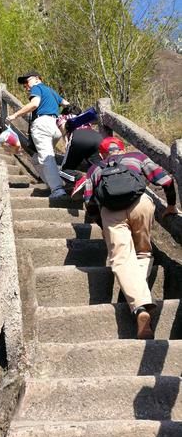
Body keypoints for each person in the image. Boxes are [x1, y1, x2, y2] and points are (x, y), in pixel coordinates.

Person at [84, 136, 178, 339]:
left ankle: (140, 307)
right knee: (143, 252)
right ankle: (140, 295)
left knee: (121, 259)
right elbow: (167, 180)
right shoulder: (136, 157)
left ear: (102, 154)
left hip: (111, 212)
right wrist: (171, 206)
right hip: (141, 204)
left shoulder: (94, 169)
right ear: (122, 148)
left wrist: (102, 225)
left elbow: (89, 202)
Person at [7, 70, 69, 199]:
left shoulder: (37, 88)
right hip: (56, 126)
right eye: (24, 85)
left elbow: (34, 104)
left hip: (42, 124)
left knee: (46, 157)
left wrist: (15, 115)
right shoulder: (51, 91)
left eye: (27, 81)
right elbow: (66, 104)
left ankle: (58, 189)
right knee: (36, 159)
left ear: (36, 79)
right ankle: (57, 182)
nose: (26, 86)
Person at [57, 105, 104, 196]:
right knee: (98, 169)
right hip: (97, 137)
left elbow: (63, 129)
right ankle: (100, 190)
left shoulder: (62, 117)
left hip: (78, 137)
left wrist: (66, 142)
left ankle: (79, 179)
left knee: (63, 171)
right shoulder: (84, 117)